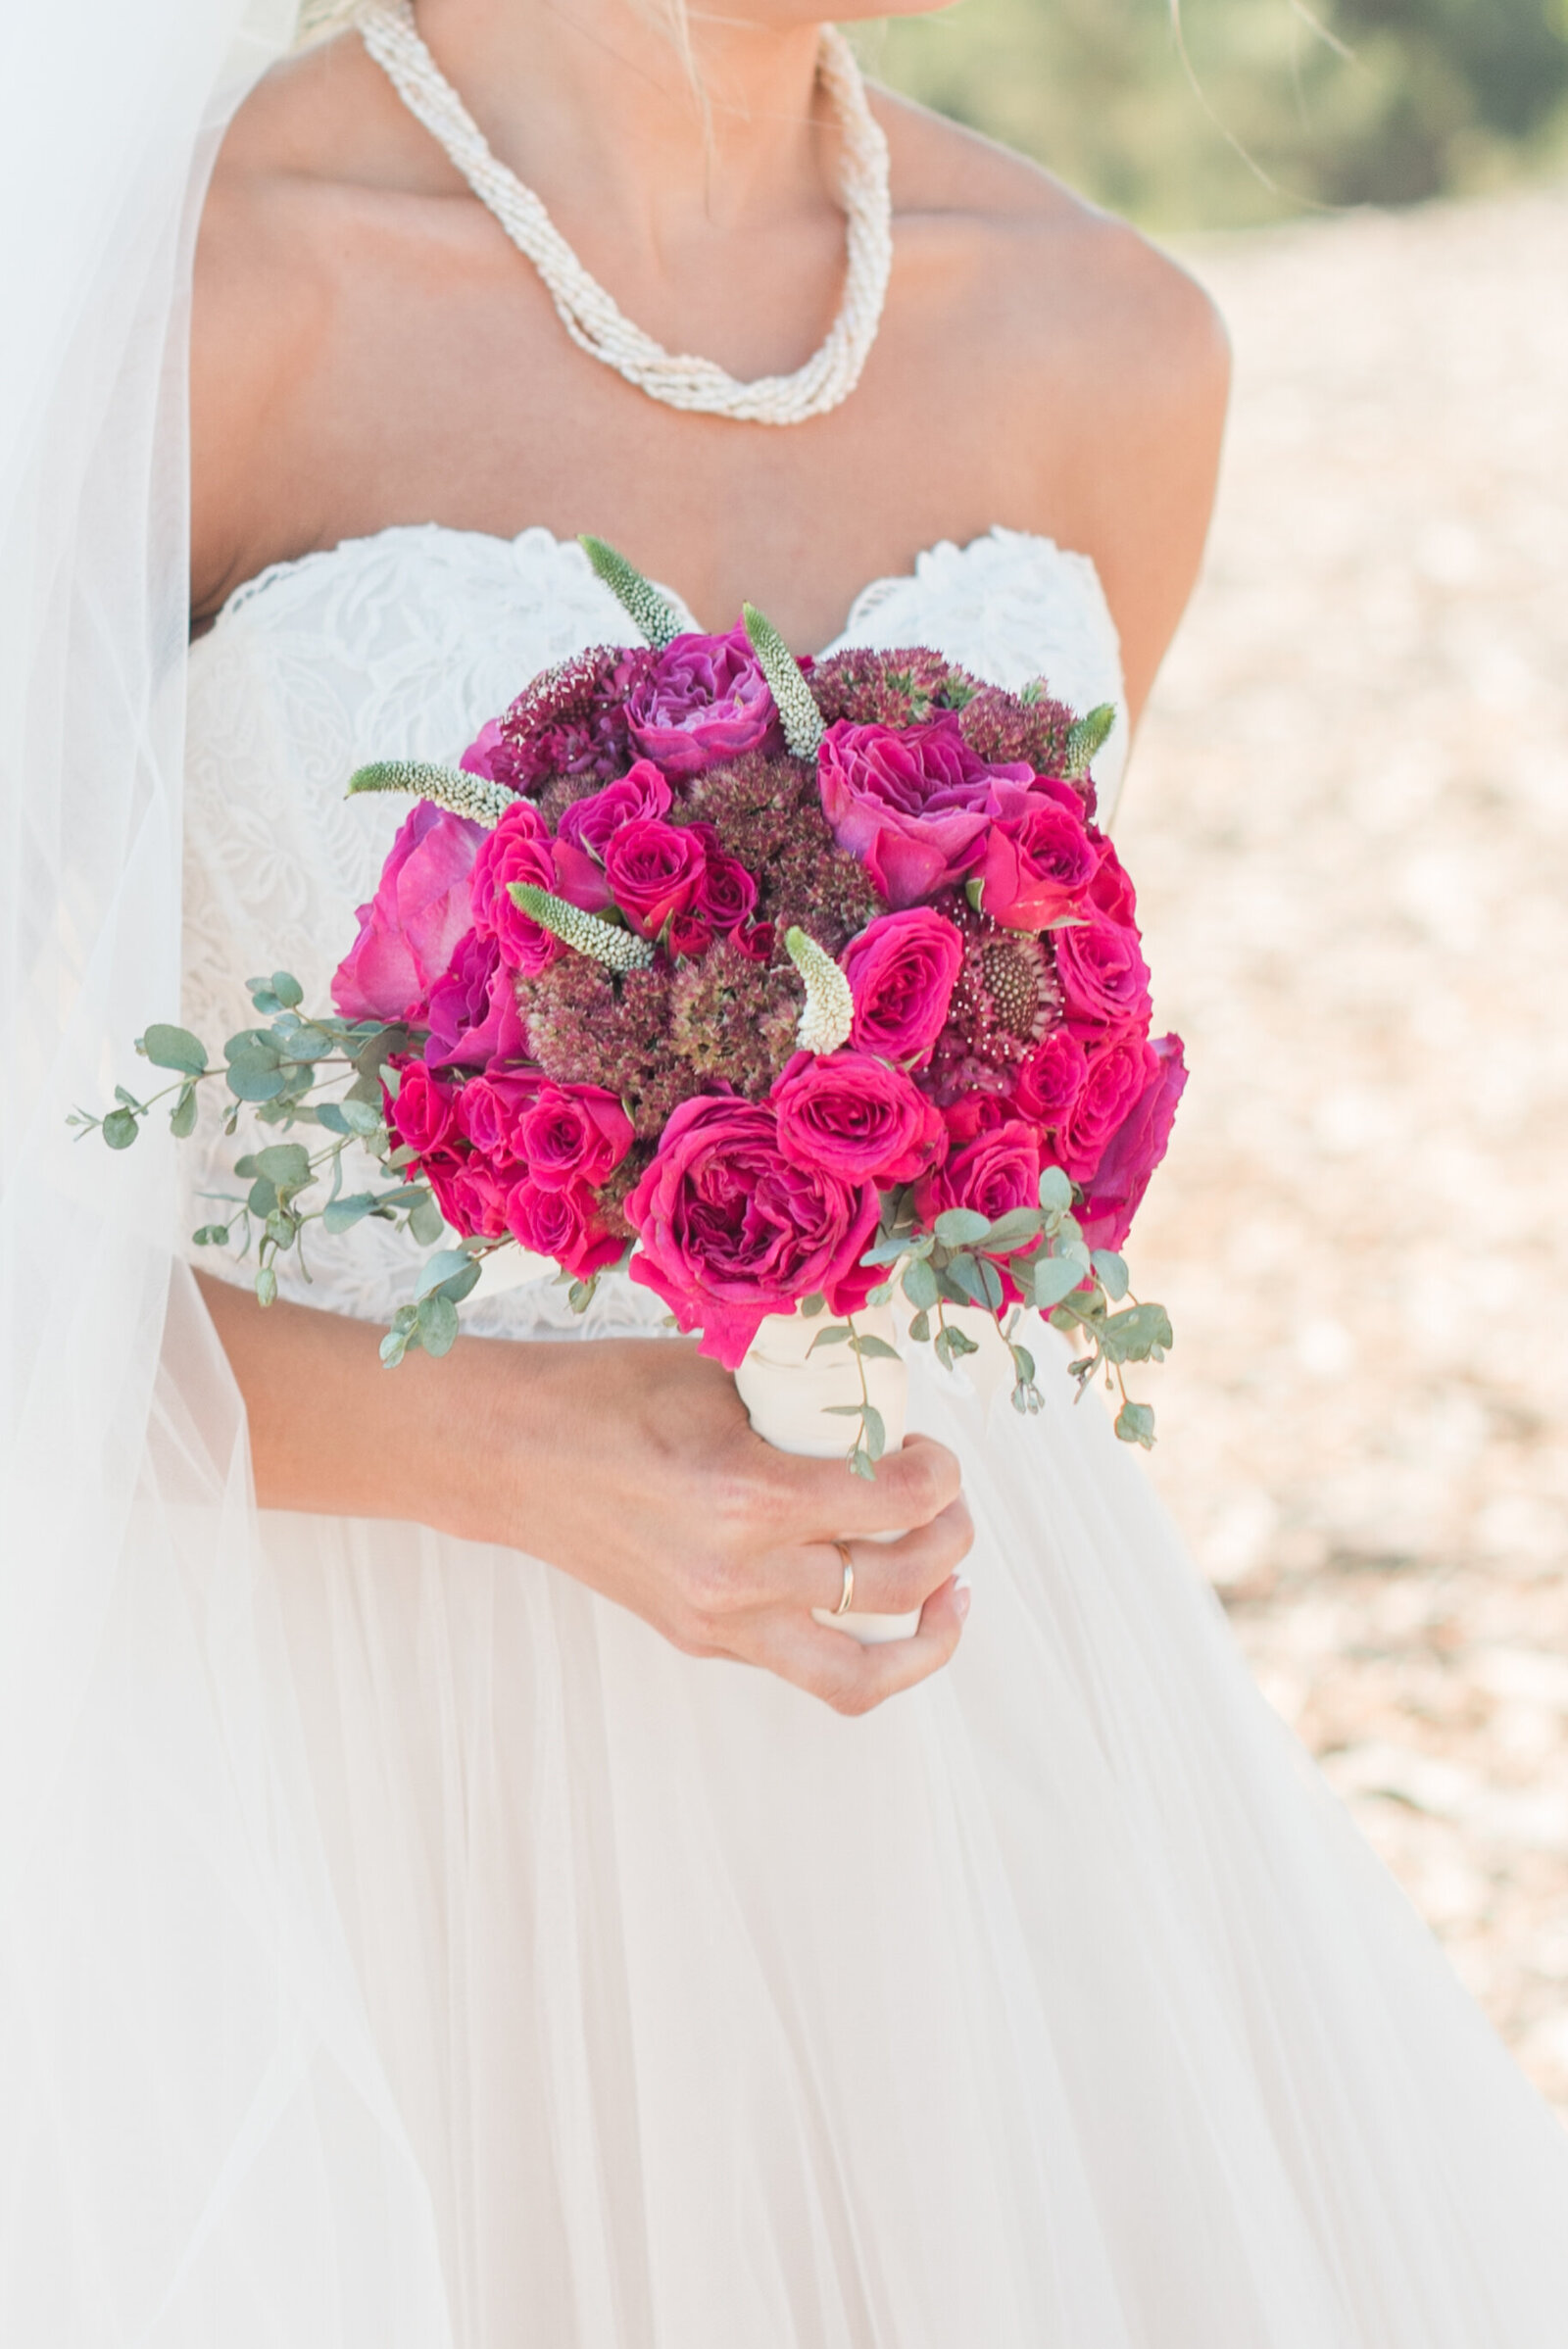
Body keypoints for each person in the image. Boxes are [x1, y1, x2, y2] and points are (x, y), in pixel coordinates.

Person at [5, 1, 1568, 2341]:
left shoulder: (1106, 342)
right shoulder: (184, 293)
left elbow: (1012, 1159)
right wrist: (467, 1438)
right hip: (295, 1787)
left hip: (943, 1767)